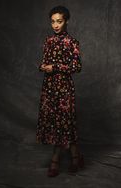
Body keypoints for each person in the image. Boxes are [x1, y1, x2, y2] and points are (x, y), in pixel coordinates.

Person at [36, 5, 84, 177]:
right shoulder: (48, 41)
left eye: (59, 21)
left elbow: (77, 67)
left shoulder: (72, 42)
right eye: (53, 22)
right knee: (61, 124)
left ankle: (55, 161)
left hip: (64, 88)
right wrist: (42, 66)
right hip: (49, 88)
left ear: (66, 21)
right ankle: (76, 157)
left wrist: (54, 67)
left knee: (64, 123)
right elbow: (44, 62)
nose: (55, 25)